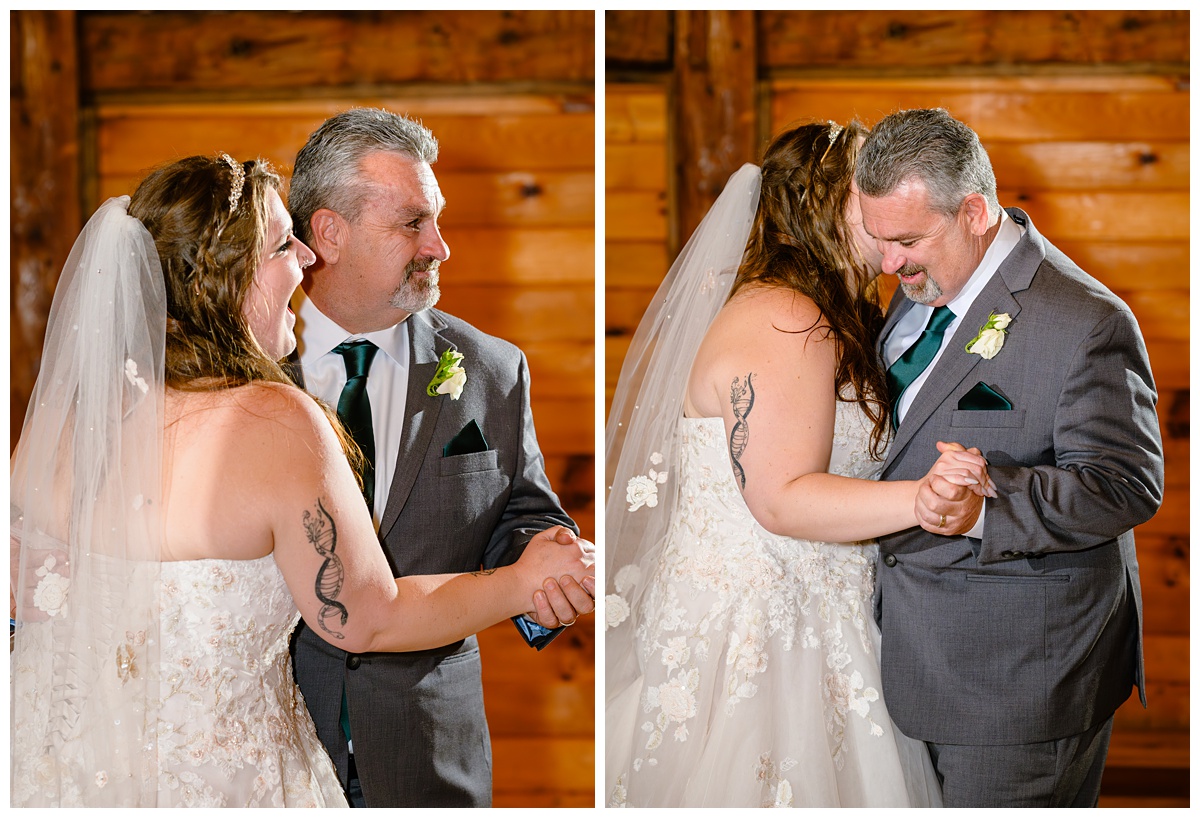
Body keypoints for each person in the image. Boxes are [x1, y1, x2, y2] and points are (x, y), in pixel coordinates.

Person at [9, 154, 594, 808]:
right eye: (284, 244)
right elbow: (367, 620)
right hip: (228, 783)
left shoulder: (66, 421)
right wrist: (519, 582)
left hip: (57, 776)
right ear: (228, 276)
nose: (306, 260)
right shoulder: (275, 421)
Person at [604, 120, 993, 807]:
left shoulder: (824, 313)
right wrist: (921, 500)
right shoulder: (787, 318)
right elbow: (781, 498)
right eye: (864, 190)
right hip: (767, 637)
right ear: (826, 201)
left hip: (819, 617)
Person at [853, 107, 1164, 808]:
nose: (888, 262)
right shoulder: (913, 294)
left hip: (1017, 684)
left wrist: (986, 501)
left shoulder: (1086, 321)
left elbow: (1124, 485)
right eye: (877, 239)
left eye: (906, 240)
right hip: (901, 659)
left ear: (973, 212)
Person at [285, 107, 594, 808]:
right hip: (276, 734)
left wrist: (551, 568)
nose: (440, 247)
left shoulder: (490, 368)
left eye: (439, 219)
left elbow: (521, 513)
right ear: (330, 232)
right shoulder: (246, 366)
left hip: (429, 747)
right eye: (412, 223)